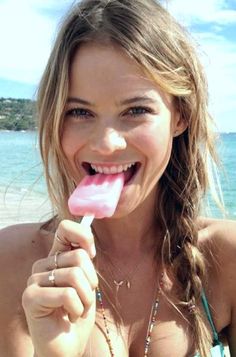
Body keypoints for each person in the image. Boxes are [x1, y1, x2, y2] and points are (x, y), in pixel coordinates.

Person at [0, 0, 235, 356]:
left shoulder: (226, 260)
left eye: (136, 110)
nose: (107, 143)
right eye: (79, 112)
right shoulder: (10, 263)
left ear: (180, 116)